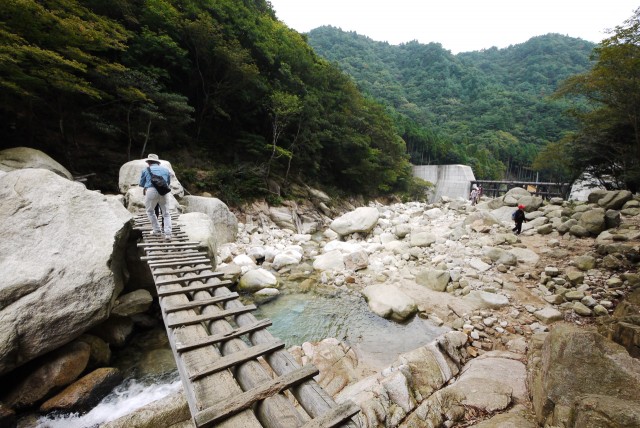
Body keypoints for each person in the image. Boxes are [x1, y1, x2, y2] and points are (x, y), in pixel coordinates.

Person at [139, 154, 172, 239]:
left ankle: (157, 230)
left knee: (150, 211)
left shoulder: (146, 170)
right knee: (166, 213)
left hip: (151, 191)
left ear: (148, 163)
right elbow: (168, 182)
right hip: (163, 191)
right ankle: (168, 234)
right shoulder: (165, 170)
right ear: (158, 163)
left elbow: (142, 184)